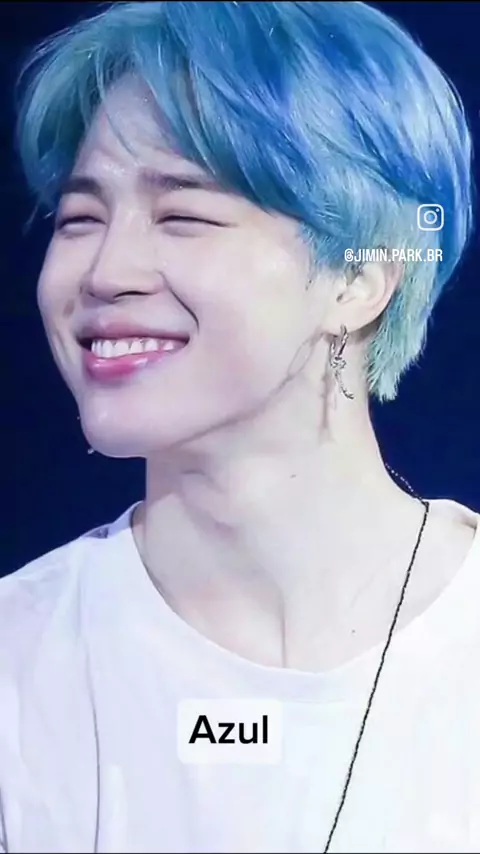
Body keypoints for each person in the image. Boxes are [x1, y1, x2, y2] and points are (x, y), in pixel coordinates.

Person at [1, 1, 477, 851]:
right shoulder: (20, 661)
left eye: (184, 215)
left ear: (360, 278)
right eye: (80, 219)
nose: (106, 272)